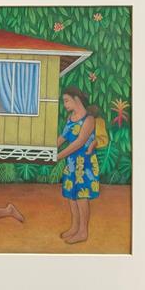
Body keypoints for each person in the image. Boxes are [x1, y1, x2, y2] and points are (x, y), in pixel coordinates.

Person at [57, 86, 100, 244]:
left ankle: (83, 231)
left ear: (76, 99)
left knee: (81, 196)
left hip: (84, 164)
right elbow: (63, 137)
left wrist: (58, 156)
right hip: (71, 163)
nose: (65, 105)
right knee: (71, 196)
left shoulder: (88, 119)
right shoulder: (71, 118)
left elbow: (79, 142)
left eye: (67, 101)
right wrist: (49, 150)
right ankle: (75, 227)